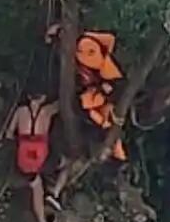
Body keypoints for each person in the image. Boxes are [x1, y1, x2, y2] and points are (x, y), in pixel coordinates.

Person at [45, 24, 128, 162]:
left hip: (110, 86)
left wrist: (102, 87)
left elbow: (97, 66)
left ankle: (116, 155)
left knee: (87, 107)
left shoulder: (85, 45)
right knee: (90, 110)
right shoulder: (77, 52)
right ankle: (114, 153)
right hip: (100, 90)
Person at [6, 93, 66, 222]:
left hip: (24, 161)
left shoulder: (20, 111)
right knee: (66, 164)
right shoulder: (47, 111)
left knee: (35, 184)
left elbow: (9, 134)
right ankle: (54, 194)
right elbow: (63, 102)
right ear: (43, 97)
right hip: (41, 159)